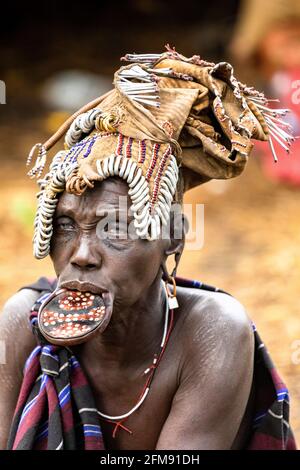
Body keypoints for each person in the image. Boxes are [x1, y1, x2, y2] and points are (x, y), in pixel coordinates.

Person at [0, 48, 296, 450]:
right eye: (66, 226)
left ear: (172, 237)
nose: (82, 254)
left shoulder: (211, 332)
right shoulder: (23, 326)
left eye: (116, 228)